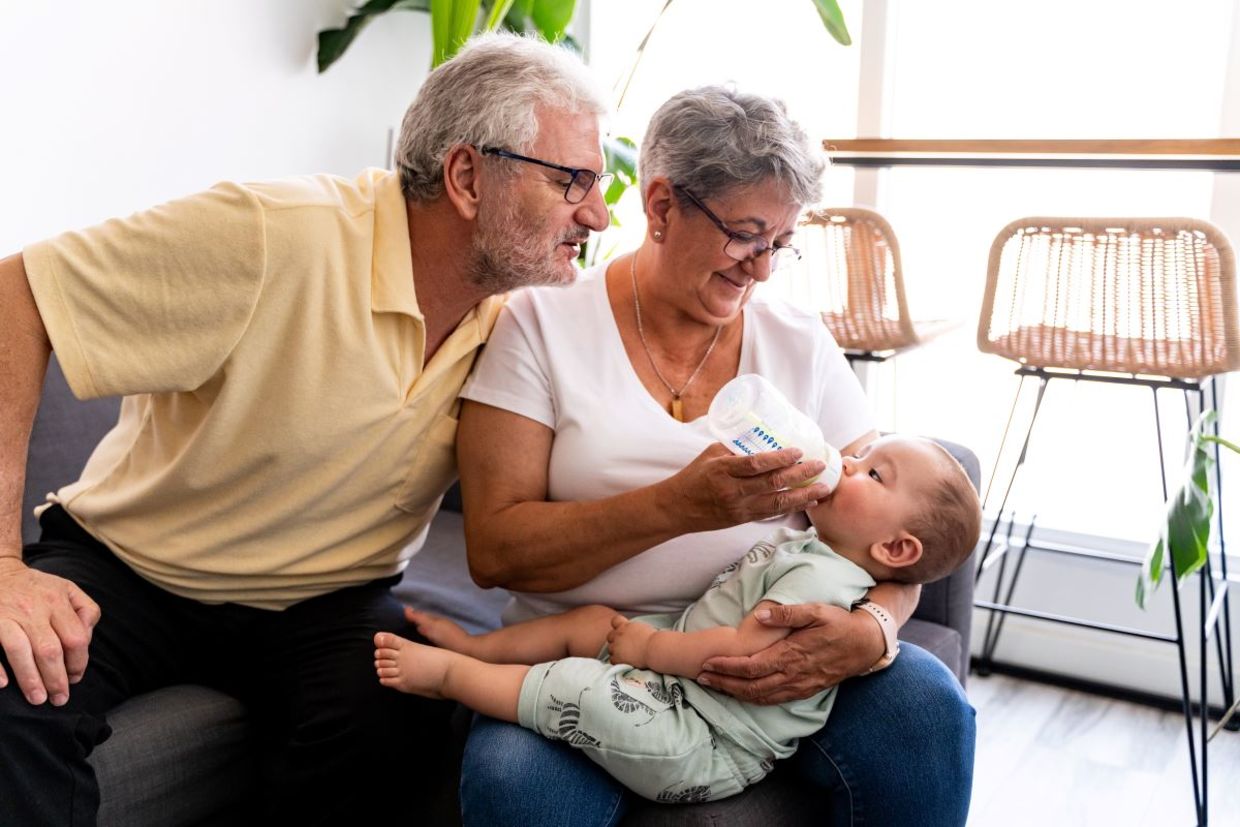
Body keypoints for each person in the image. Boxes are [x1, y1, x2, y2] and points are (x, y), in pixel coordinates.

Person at [0, 33, 612, 826]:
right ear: (466, 176)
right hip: (134, 567)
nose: (596, 213)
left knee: (406, 721)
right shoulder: (271, 234)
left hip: (329, 599)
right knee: (12, 707)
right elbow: (19, 295)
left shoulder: (528, 317)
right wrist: (2, 563)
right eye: (572, 182)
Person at [452, 85, 979, 826]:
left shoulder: (798, 339)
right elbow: (494, 549)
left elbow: (896, 537)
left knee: (927, 710)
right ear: (662, 205)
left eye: (781, 243)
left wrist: (873, 630)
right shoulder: (540, 325)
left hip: (763, 661)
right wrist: (677, 507)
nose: (761, 268)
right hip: (589, 652)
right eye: (746, 235)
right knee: (519, 786)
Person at [376, 434, 981, 804]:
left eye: (872, 473)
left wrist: (644, 651)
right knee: (588, 622)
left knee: (575, 687)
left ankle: (450, 677)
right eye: (859, 456)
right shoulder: (817, 550)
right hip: (680, 667)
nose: (846, 463)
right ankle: (481, 646)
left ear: (895, 552)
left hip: (704, 735)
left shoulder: (823, 580)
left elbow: (744, 650)